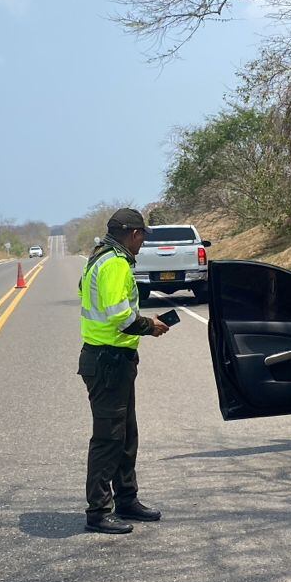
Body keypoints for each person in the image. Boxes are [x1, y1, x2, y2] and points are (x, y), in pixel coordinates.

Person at [79, 208, 171, 535]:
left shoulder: (100, 257)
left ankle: (127, 499)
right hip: (108, 361)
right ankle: (98, 512)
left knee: (126, 435)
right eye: (143, 236)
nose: (143, 242)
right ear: (133, 234)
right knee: (108, 438)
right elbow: (122, 317)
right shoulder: (115, 263)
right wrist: (151, 326)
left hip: (112, 360)